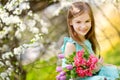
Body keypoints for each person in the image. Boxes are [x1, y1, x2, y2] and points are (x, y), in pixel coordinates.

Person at [60, 1, 120, 80]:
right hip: (84, 78)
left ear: (91, 21)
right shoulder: (71, 45)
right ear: (71, 22)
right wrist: (95, 69)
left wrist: (106, 65)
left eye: (87, 21)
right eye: (78, 22)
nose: (83, 26)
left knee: (116, 70)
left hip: (94, 73)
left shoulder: (87, 41)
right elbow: (72, 75)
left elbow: (94, 64)